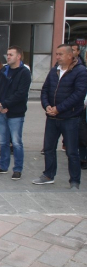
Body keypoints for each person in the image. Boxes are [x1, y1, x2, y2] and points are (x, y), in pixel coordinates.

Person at [33, 44, 87, 189]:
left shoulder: (80, 71)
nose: (57, 57)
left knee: (71, 151)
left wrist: (59, 109)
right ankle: (48, 175)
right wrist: (47, 106)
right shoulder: (54, 70)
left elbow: (78, 95)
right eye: (56, 54)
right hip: (52, 117)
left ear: (70, 55)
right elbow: (45, 90)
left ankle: (75, 181)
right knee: (49, 148)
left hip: (70, 118)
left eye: (60, 54)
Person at [0, 46, 32, 180]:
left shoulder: (24, 72)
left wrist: (4, 104)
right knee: (3, 142)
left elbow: (21, 93)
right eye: (7, 54)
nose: (8, 57)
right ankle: (3, 166)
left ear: (19, 56)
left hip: (15, 113)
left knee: (16, 142)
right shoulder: (4, 70)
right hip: (1, 111)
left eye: (11, 55)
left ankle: (17, 169)